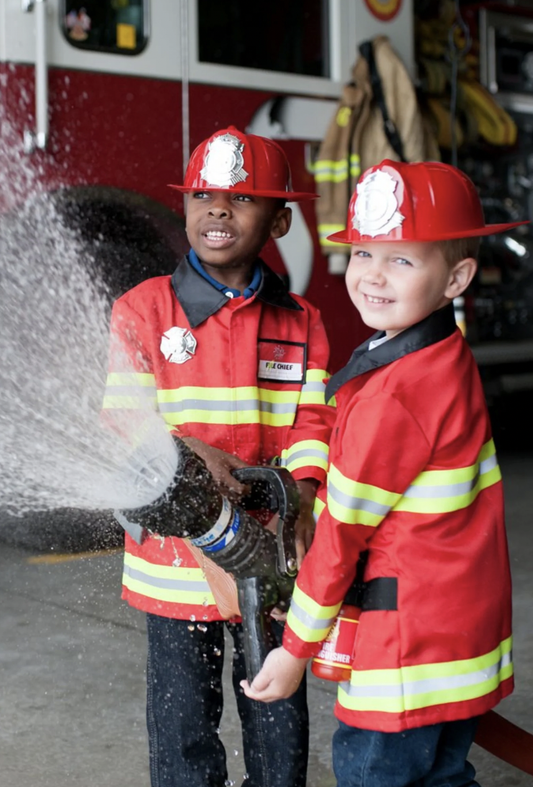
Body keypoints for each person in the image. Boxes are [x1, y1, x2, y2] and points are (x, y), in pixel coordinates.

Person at [242, 159, 524, 787]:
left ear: (456, 277)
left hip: (406, 655)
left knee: (378, 775)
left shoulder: (394, 395)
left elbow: (342, 536)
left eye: (401, 260)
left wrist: (294, 653)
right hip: (456, 634)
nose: (371, 275)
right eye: (365, 252)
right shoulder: (443, 354)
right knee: (444, 775)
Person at [102, 126, 334, 787]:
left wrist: (305, 497)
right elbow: (121, 419)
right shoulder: (141, 310)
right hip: (172, 575)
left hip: (269, 565)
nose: (218, 210)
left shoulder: (301, 320)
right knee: (182, 737)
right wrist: (183, 449)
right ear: (185, 207)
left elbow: (313, 421)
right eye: (202, 194)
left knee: (277, 723)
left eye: (241, 198)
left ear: (280, 218)